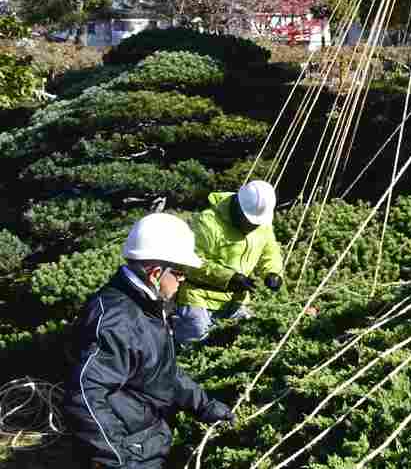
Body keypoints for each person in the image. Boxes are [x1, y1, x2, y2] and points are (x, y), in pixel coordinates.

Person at [63, 213, 233, 468]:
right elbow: (84, 395)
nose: (183, 279)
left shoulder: (147, 307)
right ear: (155, 273)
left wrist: (205, 406)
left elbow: (161, 371)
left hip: (149, 435)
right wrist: (118, 458)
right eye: (179, 272)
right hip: (132, 447)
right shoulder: (117, 321)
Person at [174, 180, 284, 345]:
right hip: (199, 299)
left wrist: (273, 272)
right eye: (249, 221)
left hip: (237, 300)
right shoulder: (208, 222)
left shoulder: (263, 223)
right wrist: (228, 278)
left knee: (247, 342)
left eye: (256, 223)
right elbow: (190, 262)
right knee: (194, 346)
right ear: (238, 208)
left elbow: (270, 250)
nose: (252, 227)